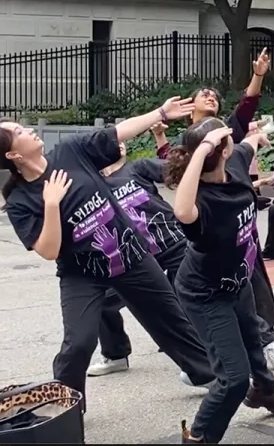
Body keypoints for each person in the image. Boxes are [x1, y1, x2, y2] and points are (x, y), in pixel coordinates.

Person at [0, 97, 216, 402]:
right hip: (82, 274)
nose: (28, 130)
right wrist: (51, 204)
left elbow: (117, 133)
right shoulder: (21, 201)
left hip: (131, 256)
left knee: (171, 319)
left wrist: (159, 113)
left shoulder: (69, 152)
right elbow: (49, 250)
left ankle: (209, 375)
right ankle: (66, 404)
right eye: (19, 132)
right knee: (79, 342)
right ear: (13, 154)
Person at [165, 118, 274, 444]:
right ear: (221, 150)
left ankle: (264, 390)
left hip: (238, 281)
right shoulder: (201, 203)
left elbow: (253, 139)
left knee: (255, 342)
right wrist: (205, 148)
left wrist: (270, 129)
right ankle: (199, 437)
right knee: (234, 379)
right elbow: (181, 209)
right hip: (205, 294)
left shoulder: (234, 162)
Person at [87, 142, 189, 378]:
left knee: (186, 298)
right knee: (102, 300)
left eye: (121, 143)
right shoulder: (93, 186)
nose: (119, 146)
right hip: (133, 256)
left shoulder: (137, 168)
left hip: (171, 242)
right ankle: (115, 354)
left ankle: (202, 360)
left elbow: (175, 172)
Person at [153, 48, 271, 156]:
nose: (211, 99)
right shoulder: (185, 139)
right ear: (190, 109)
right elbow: (169, 161)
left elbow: (248, 104)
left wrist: (258, 75)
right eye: (204, 96)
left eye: (215, 98)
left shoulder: (228, 129)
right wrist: (159, 134)